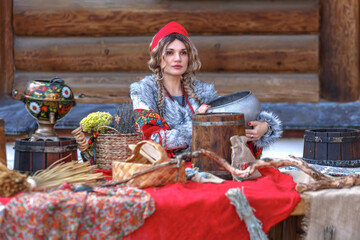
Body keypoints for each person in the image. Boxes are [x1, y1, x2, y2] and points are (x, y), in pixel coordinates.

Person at [130, 21, 282, 158]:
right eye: (170, 53)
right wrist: (198, 123)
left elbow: (229, 129)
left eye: (183, 52)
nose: (178, 58)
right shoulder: (144, 92)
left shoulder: (202, 92)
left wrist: (264, 128)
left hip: (206, 165)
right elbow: (151, 139)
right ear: (158, 57)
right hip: (166, 168)